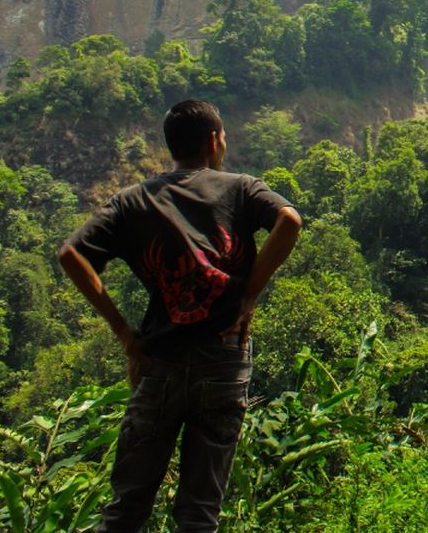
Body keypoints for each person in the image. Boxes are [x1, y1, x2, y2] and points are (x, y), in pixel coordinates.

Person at [59, 99, 302, 533]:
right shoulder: (241, 188)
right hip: (225, 359)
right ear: (213, 140)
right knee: (198, 512)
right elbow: (289, 220)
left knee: (126, 507)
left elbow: (70, 254)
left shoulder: (133, 201)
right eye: (223, 135)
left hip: (160, 362)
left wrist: (124, 333)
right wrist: (249, 293)